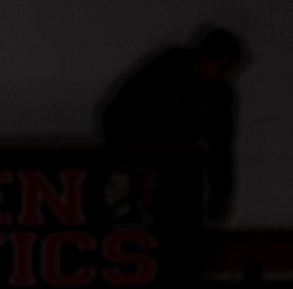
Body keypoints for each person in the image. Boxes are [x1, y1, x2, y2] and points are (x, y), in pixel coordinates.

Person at [99, 25, 249, 224]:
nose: (225, 76)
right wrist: (133, 165)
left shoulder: (220, 94)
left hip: (177, 166)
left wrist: (221, 193)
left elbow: (221, 146)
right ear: (204, 58)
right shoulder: (164, 70)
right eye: (222, 68)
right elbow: (118, 115)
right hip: (137, 156)